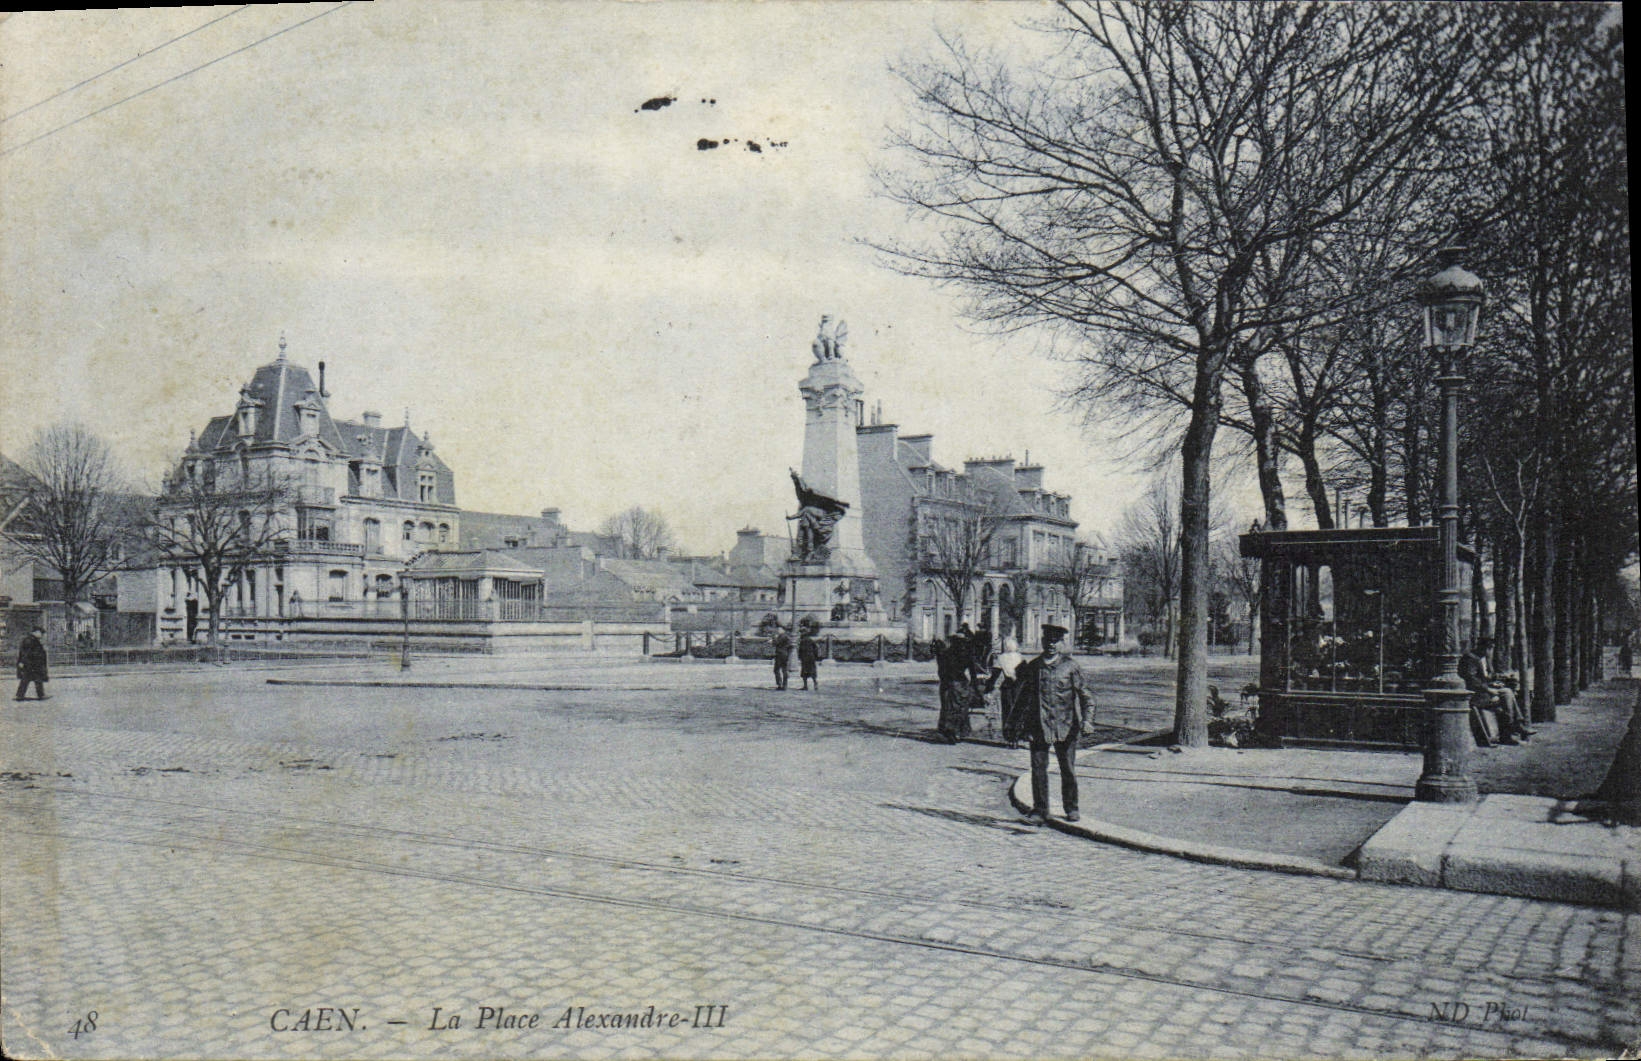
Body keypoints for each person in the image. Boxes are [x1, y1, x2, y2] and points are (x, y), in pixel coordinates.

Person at [1012, 624, 1091, 823]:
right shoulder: (1033, 667)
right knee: (1038, 769)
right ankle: (1040, 810)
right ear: (1042, 641)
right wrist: (1014, 725)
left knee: (1068, 769)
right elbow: (1022, 699)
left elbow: (1086, 696)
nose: (1051, 645)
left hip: (1066, 726)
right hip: (1038, 727)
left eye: (1055, 641)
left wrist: (1088, 720)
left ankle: (1071, 808)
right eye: (1047, 641)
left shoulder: (1071, 667)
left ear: (1061, 643)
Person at [1460, 636, 1535, 745]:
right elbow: (1471, 680)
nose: (1489, 651)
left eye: (1491, 649)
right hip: (1475, 695)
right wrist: (1489, 689)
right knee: (1507, 694)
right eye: (1488, 648)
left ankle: (1514, 728)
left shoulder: (1482, 658)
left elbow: (1485, 677)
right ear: (1482, 647)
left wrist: (1495, 681)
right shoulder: (1470, 658)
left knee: (1508, 694)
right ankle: (1513, 729)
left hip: (1483, 692)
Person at [986, 635, 1025, 746]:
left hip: (1007, 687)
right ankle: (1017, 737)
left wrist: (988, 687)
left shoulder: (1001, 658)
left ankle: (1010, 738)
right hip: (1019, 687)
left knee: (1007, 711)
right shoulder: (1020, 657)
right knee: (1018, 710)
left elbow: (995, 675)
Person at [936, 633, 972, 743]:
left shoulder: (946, 654)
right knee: (961, 707)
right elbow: (973, 673)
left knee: (947, 707)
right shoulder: (966, 654)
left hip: (948, 682)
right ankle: (960, 732)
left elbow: (941, 671)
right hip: (962, 682)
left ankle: (948, 732)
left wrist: (944, 680)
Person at [15, 626, 49, 702]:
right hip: (31, 664)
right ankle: (21, 695)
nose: (42, 635)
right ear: (36, 632)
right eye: (41, 633)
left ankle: (21, 695)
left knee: (34, 679)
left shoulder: (33, 640)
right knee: (28, 679)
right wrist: (22, 662)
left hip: (33, 663)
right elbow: (26, 653)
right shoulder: (30, 640)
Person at [772, 625, 793, 690]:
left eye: (779, 629)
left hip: (780, 655)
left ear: (782, 630)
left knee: (776, 670)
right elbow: (790, 646)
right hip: (785, 655)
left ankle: (780, 684)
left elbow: (776, 643)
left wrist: (774, 638)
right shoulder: (787, 637)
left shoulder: (782, 636)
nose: (777, 631)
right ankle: (784, 685)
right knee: (784, 670)